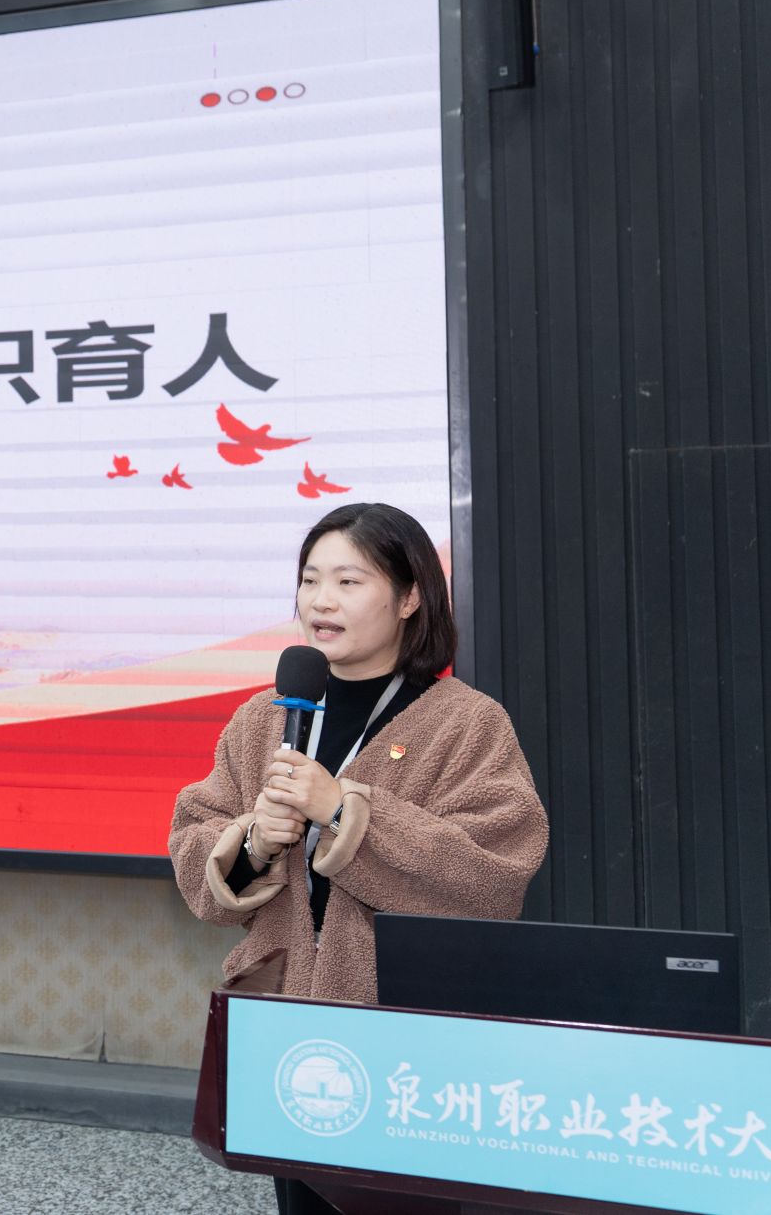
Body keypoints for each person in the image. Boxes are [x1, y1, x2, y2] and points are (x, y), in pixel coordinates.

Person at [168, 503, 549, 1215]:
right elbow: (195, 843)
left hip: (407, 1037)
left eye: (348, 581)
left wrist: (343, 810)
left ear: (409, 597)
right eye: (310, 579)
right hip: (287, 1027)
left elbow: (495, 872)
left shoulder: (467, 721)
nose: (321, 600)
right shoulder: (264, 717)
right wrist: (253, 841)